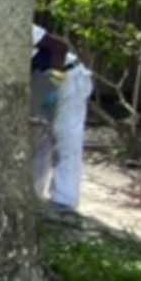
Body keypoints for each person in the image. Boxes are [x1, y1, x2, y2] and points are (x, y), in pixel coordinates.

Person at [31, 24, 94, 211]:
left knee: (66, 139)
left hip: (67, 76)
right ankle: (35, 196)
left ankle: (64, 203)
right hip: (39, 81)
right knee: (39, 138)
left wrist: (51, 87)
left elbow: (60, 47)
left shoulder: (24, 27)